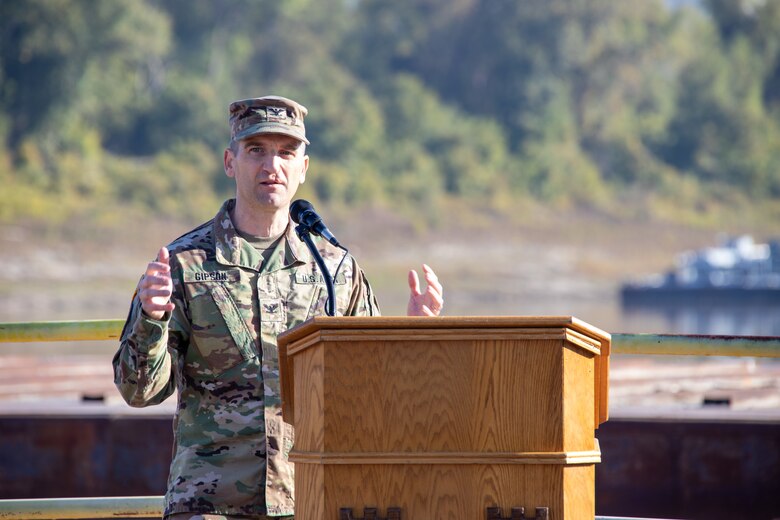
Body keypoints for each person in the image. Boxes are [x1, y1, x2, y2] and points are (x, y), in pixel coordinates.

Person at [113, 95, 444, 520]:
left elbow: (375, 395)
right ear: (230, 162)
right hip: (211, 505)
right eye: (257, 151)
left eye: (287, 152)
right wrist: (152, 319)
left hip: (310, 500)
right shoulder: (184, 264)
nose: (273, 166)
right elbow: (139, 392)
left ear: (303, 168)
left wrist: (413, 335)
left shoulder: (336, 269)